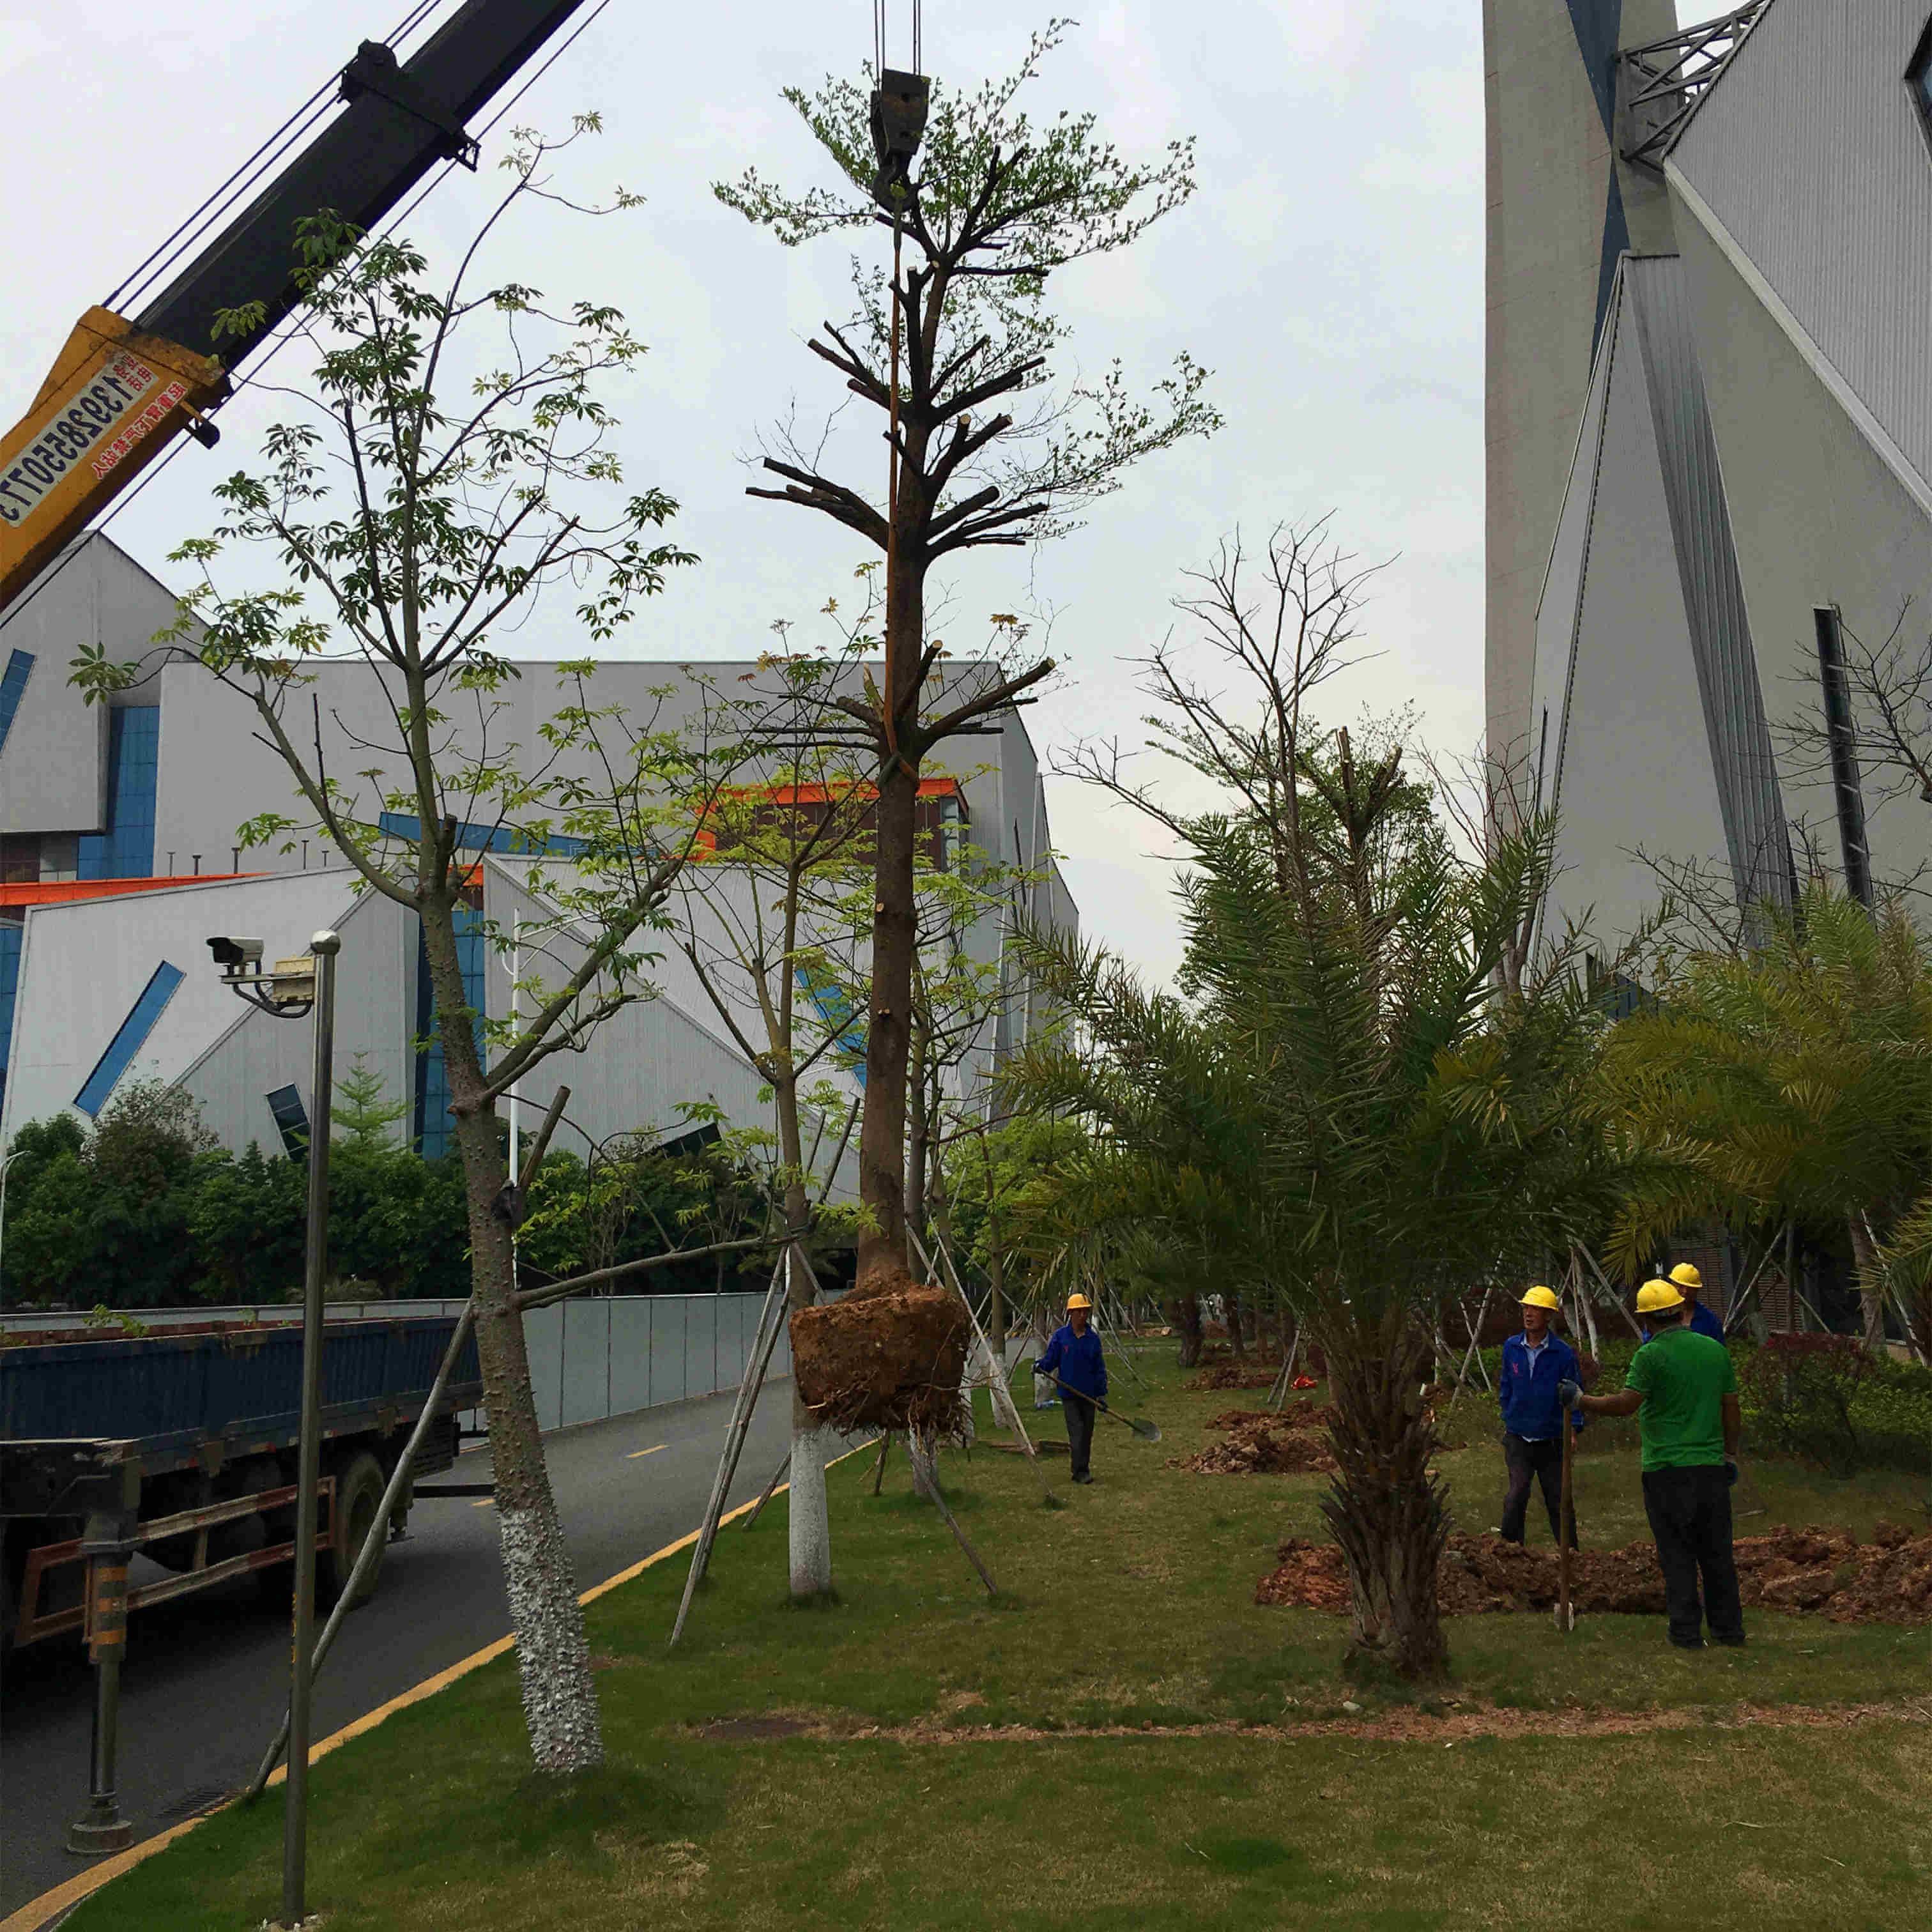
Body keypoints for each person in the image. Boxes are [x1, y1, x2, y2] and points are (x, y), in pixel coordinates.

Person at [1565, 1277, 1744, 1649]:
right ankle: (1729, 1632)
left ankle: (1686, 1633)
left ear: (1646, 1321)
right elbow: (1731, 1408)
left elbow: (1626, 1403)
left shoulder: (1650, 1355)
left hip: (1666, 1471)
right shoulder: (1714, 1351)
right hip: (1710, 1470)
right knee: (1717, 1555)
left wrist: (1581, 1400)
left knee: (1677, 1554)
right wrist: (1729, 1455)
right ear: (1680, 1311)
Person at [1496, 1285, 1582, 1548]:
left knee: (1559, 1499)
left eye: (1535, 1309)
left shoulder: (1562, 1353)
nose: (1529, 1314)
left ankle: (1571, 1554)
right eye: (1526, 1308)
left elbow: (1574, 1393)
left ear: (1548, 1316)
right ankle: (1510, 1552)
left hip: (1552, 1439)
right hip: (1519, 1437)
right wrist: (1509, 1412)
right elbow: (1506, 1385)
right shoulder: (1512, 1347)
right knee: (1516, 1495)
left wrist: (1574, 1430)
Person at [1035, 1293, 1107, 1485]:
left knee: (1086, 1435)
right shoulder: (1061, 1338)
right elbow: (1051, 1360)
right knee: (1077, 1433)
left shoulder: (1093, 1339)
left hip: (1089, 1396)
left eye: (1085, 1311)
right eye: (1079, 1312)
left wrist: (1101, 1395)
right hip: (1070, 1396)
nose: (1083, 1315)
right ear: (1071, 1314)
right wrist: (1040, 1366)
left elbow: (1099, 1368)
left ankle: (1083, 1468)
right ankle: (1079, 1471)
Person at [1641, 1261, 1726, 1344]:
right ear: (1672, 1285)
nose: (1685, 1291)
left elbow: (1719, 1348)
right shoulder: (1662, 1315)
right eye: (1681, 1286)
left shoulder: (1709, 1320)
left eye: (1690, 1288)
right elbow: (1648, 1342)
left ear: (1697, 1290)